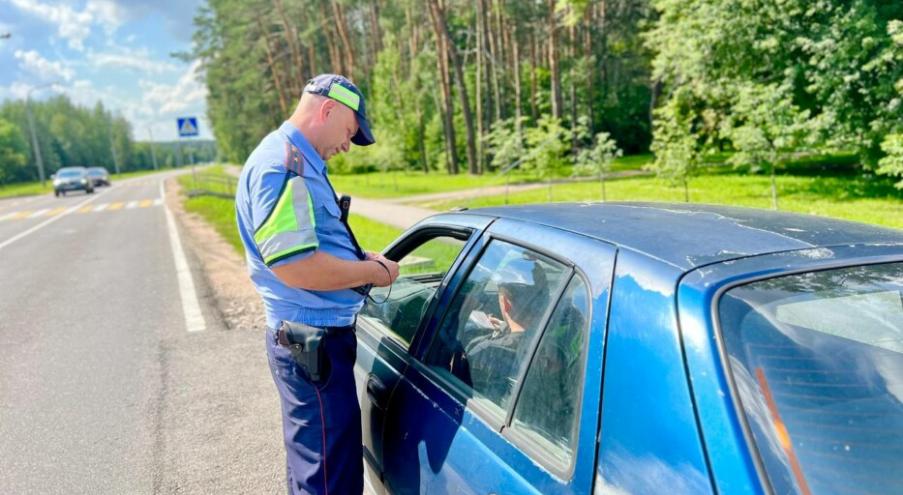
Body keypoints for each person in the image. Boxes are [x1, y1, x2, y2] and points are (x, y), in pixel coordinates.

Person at [235, 73, 400, 495]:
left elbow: (310, 244)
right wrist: (371, 274)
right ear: (327, 110)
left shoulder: (298, 161)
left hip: (311, 344)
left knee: (317, 472)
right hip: (314, 346)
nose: (347, 144)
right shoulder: (284, 167)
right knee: (330, 482)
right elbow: (295, 267)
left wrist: (359, 258)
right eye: (349, 132)